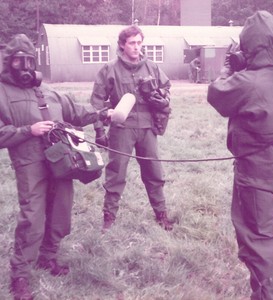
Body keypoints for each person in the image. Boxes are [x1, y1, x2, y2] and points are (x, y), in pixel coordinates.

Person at [0, 34, 107, 300]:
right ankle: (21, 275)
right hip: (29, 163)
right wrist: (29, 130)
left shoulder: (47, 90)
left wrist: (102, 113)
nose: (24, 67)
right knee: (32, 217)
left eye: (29, 61)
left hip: (61, 159)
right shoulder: (1, 92)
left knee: (61, 209)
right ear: (7, 62)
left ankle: (48, 257)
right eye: (17, 62)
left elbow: (75, 111)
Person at [207, 11, 273, 300]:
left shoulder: (247, 81)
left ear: (248, 46)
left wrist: (229, 67)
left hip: (257, 178)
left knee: (260, 241)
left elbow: (216, 95)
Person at [90, 25, 174, 232]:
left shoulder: (152, 67)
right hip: (121, 127)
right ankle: (109, 218)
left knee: (154, 172)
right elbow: (97, 102)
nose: (136, 47)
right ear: (122, 45)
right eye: (132, 43)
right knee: (116, 174)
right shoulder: (109, 69)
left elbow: (167, 87)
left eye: (139, 42)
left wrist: (161, 96)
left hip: (147, 127)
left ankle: (161, 214)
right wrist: (99, 131)